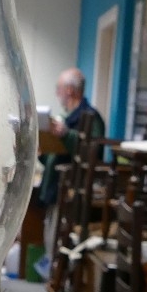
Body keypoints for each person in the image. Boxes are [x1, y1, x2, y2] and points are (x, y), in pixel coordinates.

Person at [37, 68, 104, 209]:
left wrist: (66, 134)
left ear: (69, 90)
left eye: (58, 88)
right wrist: (41, 151)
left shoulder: (91, 117)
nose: (56, 93)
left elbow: (94, 153)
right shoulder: (66, 118)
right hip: (54, 190)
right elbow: (55, 157)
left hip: (71, 195)